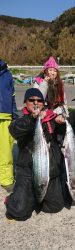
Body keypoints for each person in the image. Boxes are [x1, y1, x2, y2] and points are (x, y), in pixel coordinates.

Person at [5, 88, 69, 221]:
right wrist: (33, 118)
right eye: (31, 100)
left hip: (50, 170)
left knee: (55, 206)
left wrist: (62, 124)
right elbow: (15, 130)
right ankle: (16, 197)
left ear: (43, 103)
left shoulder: (51, 118)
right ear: (25, 103)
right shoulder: (21, 120)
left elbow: (62, 136)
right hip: (27, 172)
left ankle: (32, 197)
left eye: (39, 100)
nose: (36, 103)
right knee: (18, 212)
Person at [0, 59, 17, 192]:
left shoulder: (7, 74)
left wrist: (14, 115)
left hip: (5, 116)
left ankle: (5, 179)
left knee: (6, 151)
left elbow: (12, 96)